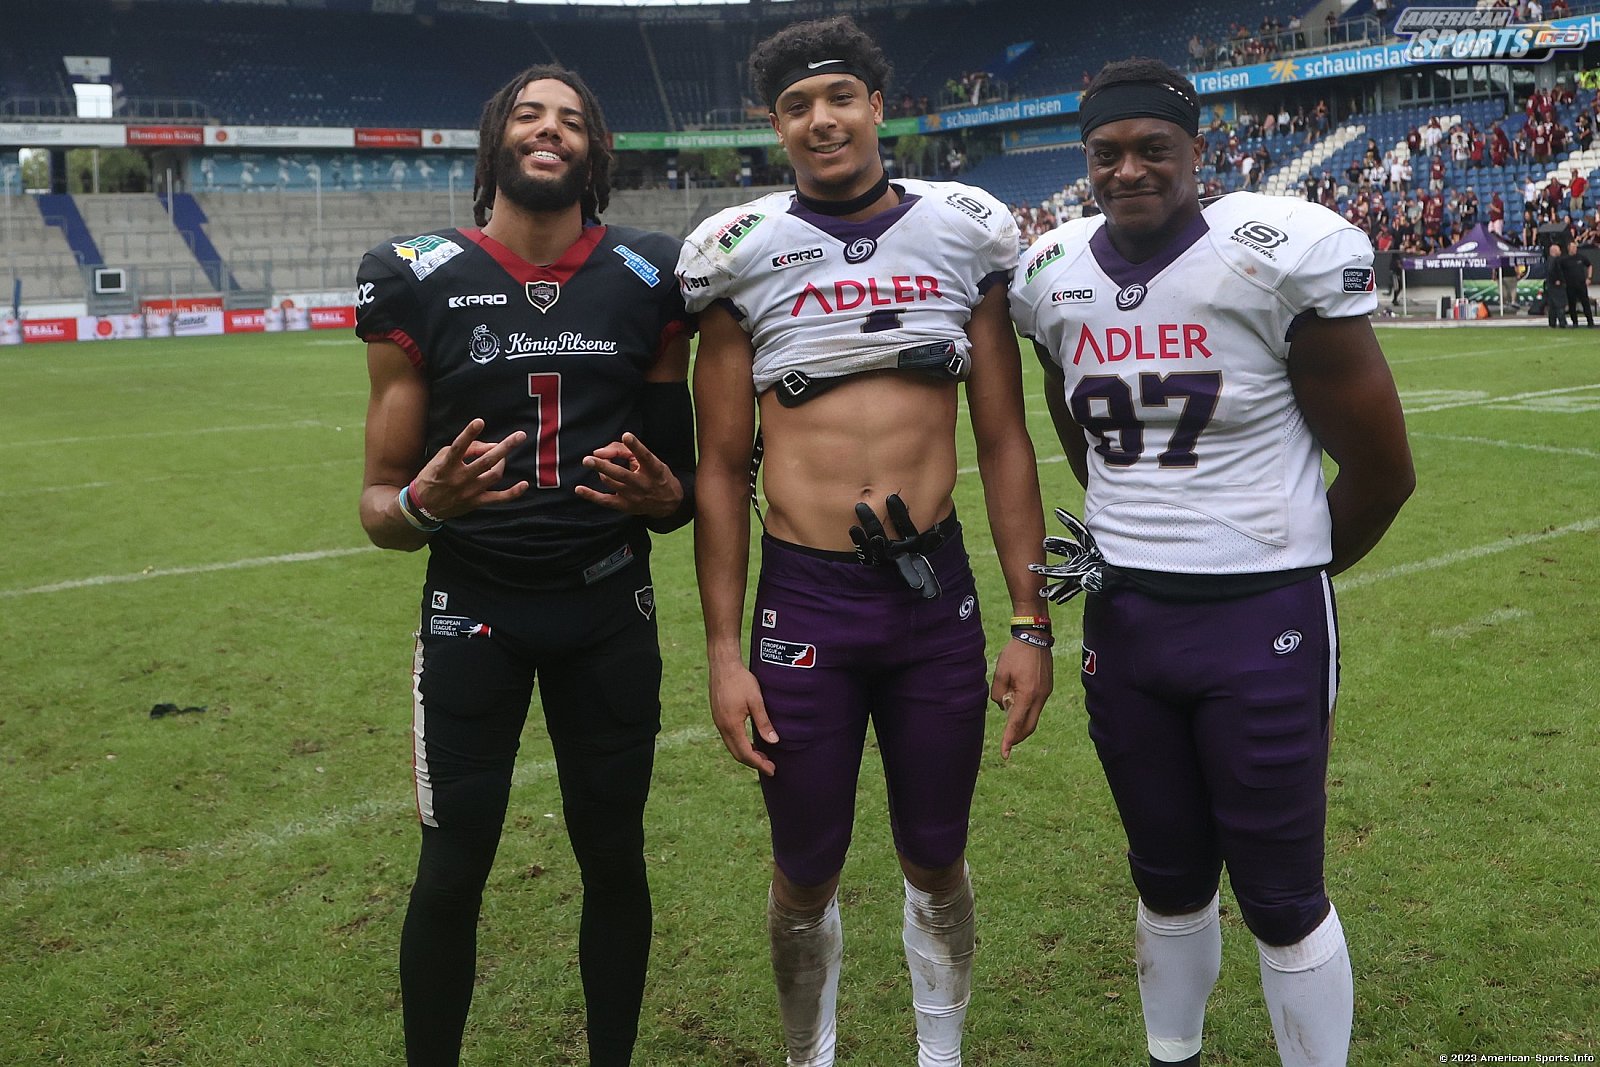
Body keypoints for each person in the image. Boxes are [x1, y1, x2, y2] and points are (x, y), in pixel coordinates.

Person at [1010, 58, 1415, 1067]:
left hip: (1258, 620)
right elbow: (1082, 433)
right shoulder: (1052, 272)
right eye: (1106, 153)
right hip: (1126, 621)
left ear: (1198, 151)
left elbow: (1382, 472)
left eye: (1154, 148)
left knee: (1281, 893)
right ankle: (1172, 1053)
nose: (1128, 169)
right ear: (1084, 161)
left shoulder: (1273, 255)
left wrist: (1284, 568)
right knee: (1165, 876)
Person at [679, 16, 1052, 1067]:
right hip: (806, 600)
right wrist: (722, 654)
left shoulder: (964, 231)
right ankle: (813, 1056)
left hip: (933, 597)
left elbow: (1004, 439)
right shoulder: (736, 252)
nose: (822, 119)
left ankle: (940, 1053)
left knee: (936, 854)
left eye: (840, 96)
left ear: (877, 106)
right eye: (796, 105)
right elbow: (721, 468)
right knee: (804, 867)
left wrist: (1031, 621)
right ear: (775, 125)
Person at [355, 64, 695, 1066]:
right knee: (450, 866)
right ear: (494, 140)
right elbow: (379, 506)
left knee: (614, 857)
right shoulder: (414, 273)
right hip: (474, 606)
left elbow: (683, 488)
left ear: (595, 152)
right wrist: (426, 502)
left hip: (607, 607)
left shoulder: (649, 271)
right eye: (529, 114)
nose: (550, 129)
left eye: (572, 120)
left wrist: (662, 497)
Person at [1561, 240, 1594, 327]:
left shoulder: (1581, 257)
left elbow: (1589, 265)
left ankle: (1590, 321)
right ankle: (1575, 322)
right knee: (1572, 304)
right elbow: (1559, 271)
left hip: (1581, 284)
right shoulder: (1564, 259)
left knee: (1585, 303)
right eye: (1572, 247)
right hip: (1570, 285)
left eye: (1575, 247)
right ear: (1568, 248)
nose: (1574, 249)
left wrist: (1589, 277)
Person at [1543, 242, 1571, 328]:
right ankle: (1562, 322)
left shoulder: (1549, 260)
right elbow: (1551, 271)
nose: (1560, 251)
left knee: (1552, 305)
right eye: (1559, 250)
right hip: (1556, 286)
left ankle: (1552, 323)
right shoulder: (1554, 260)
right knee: (1560, 304)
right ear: (1554, 251)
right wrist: (1556, 280)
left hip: (1550, 286)